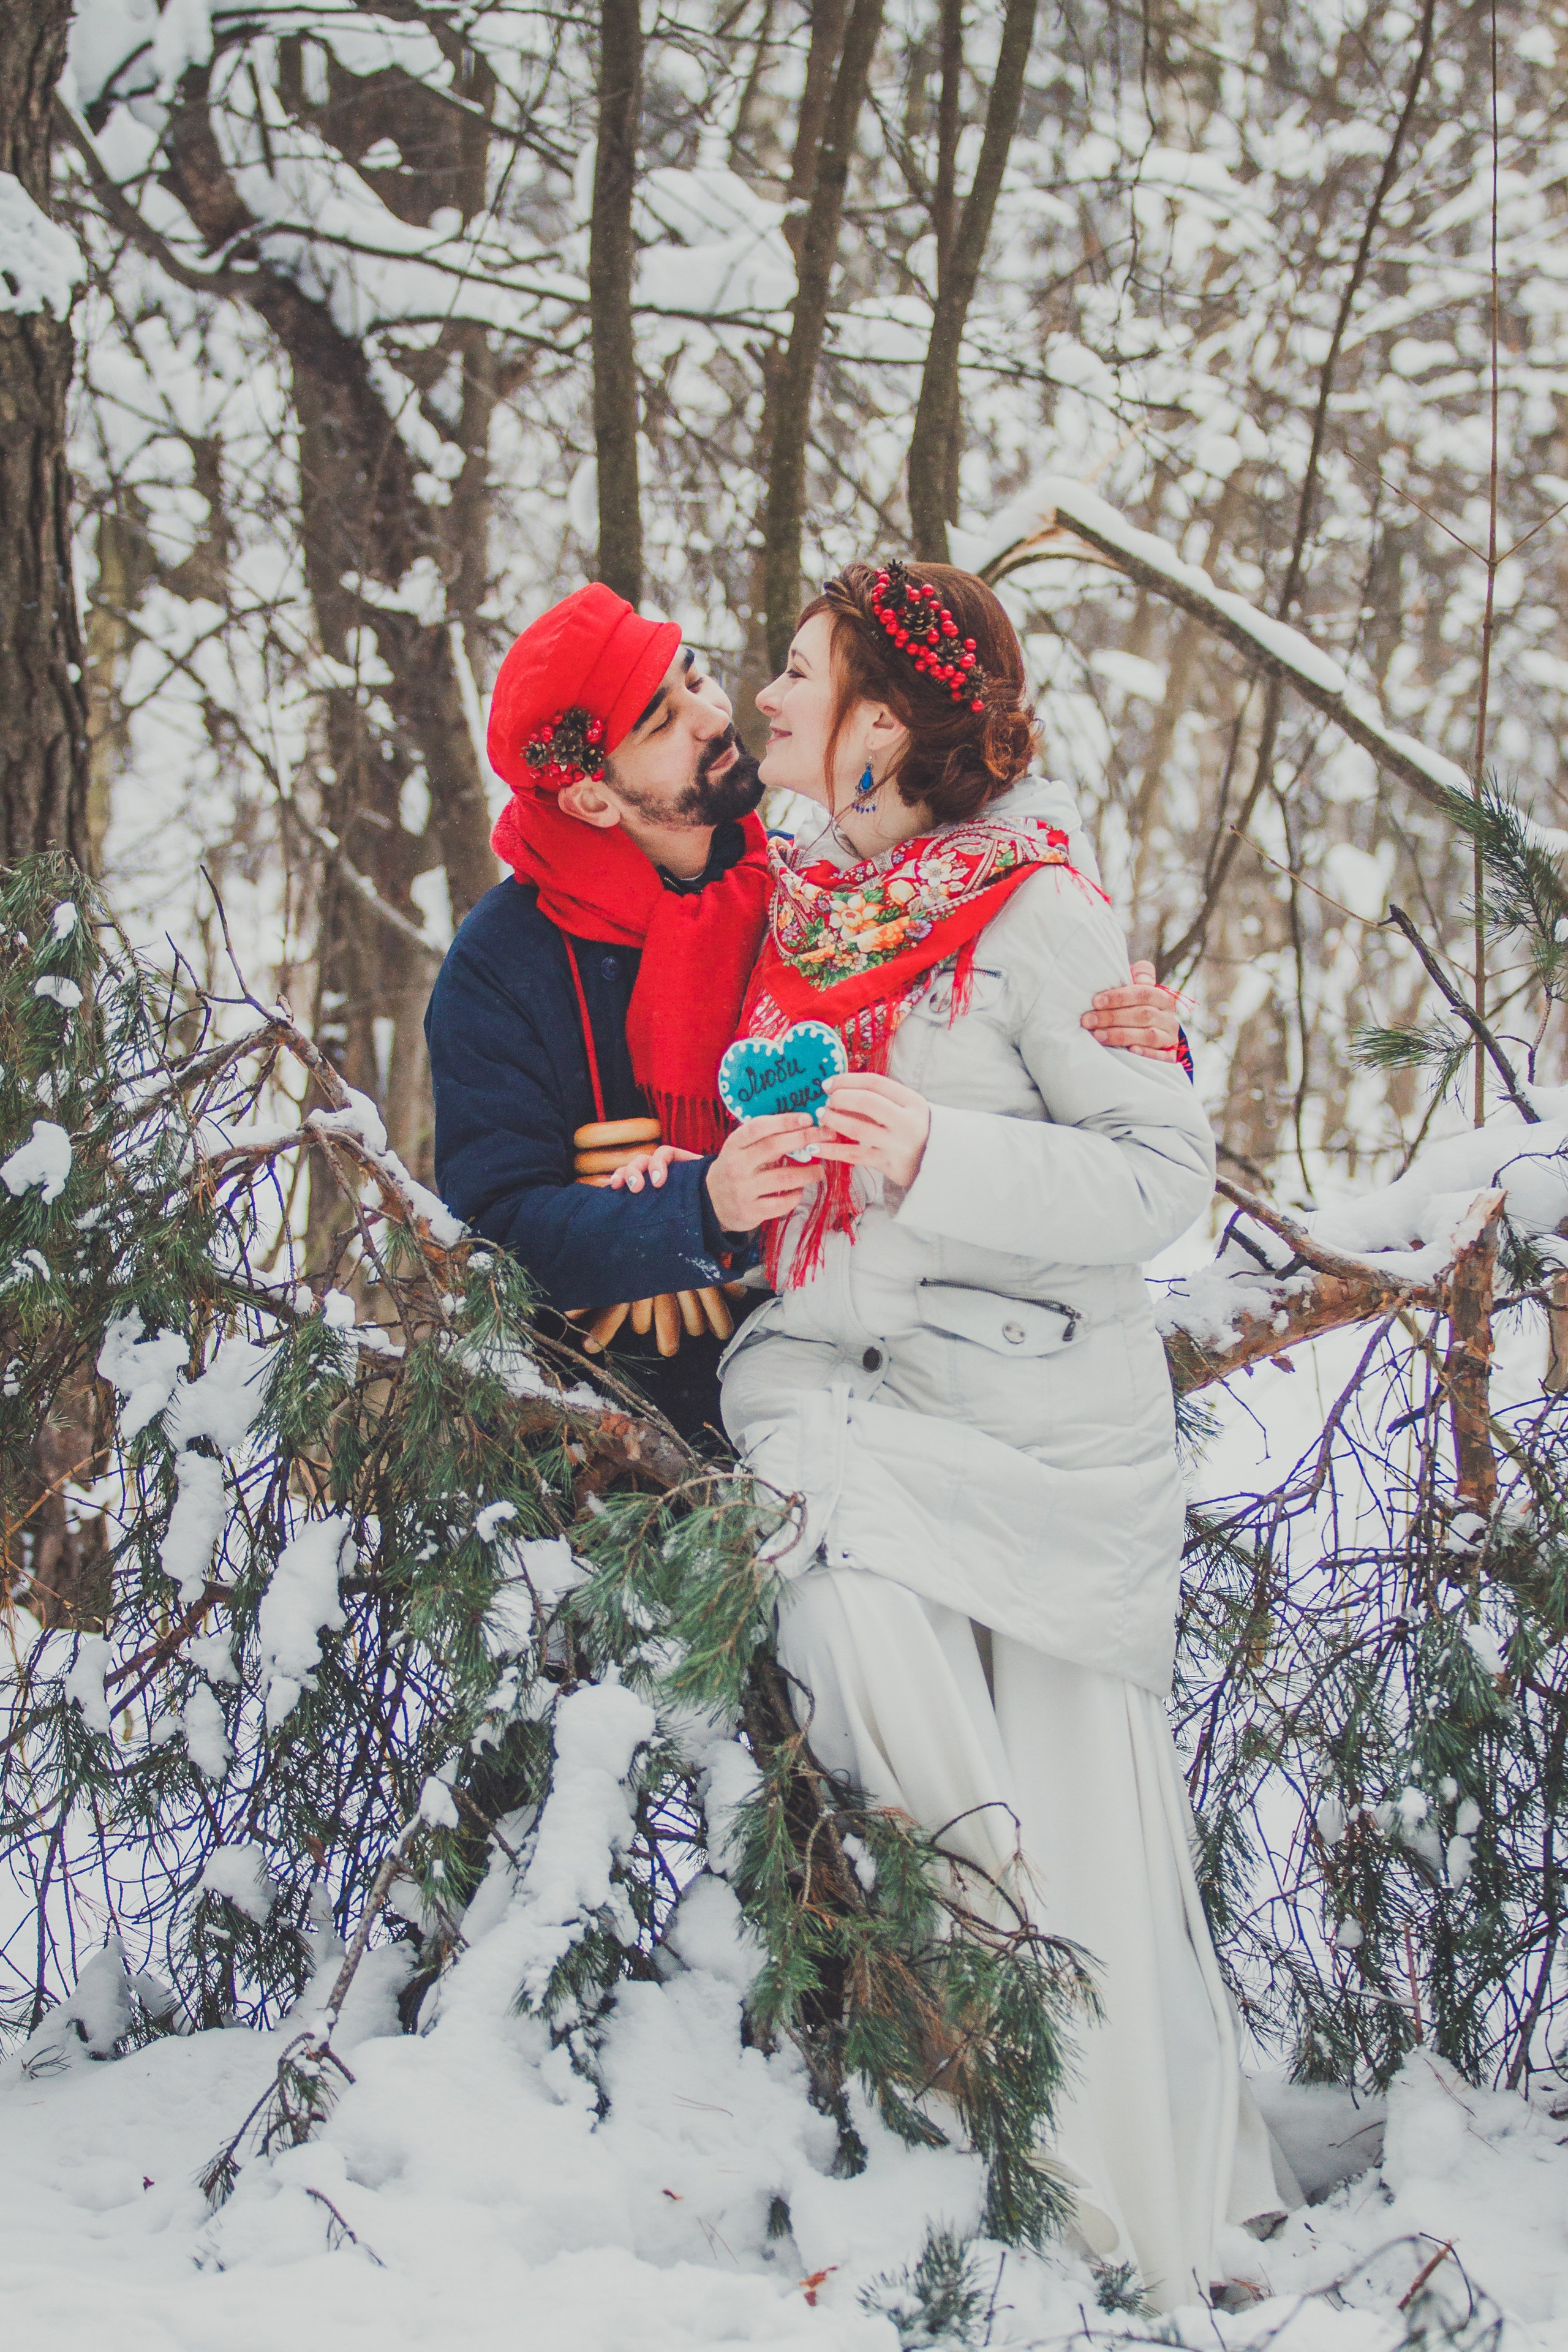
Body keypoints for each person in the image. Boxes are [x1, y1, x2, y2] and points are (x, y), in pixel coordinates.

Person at [704, 560, 1294, 2306]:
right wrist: (742, 1188)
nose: (776, 696)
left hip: (1036, 1426)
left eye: (804, 673)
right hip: (843, 1382)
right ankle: (973, 2088)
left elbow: (1158, 1181)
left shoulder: (1045, 916)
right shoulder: (806, 904)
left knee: (1077, 1813)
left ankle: (1095, 2183)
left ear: (889, 720)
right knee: (838, 1615)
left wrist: (930, 1158)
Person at [424, 581, 1182, 1439]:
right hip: (618, 1449)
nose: (712, 716)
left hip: (846, 1400)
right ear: (594, 799)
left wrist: (1133, 1033)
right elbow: (493, 1238)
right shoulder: (505, 964)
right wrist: (695, 1210)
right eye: (661, 723)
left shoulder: (801, 893)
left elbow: (967, 1023)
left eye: (695, 678)